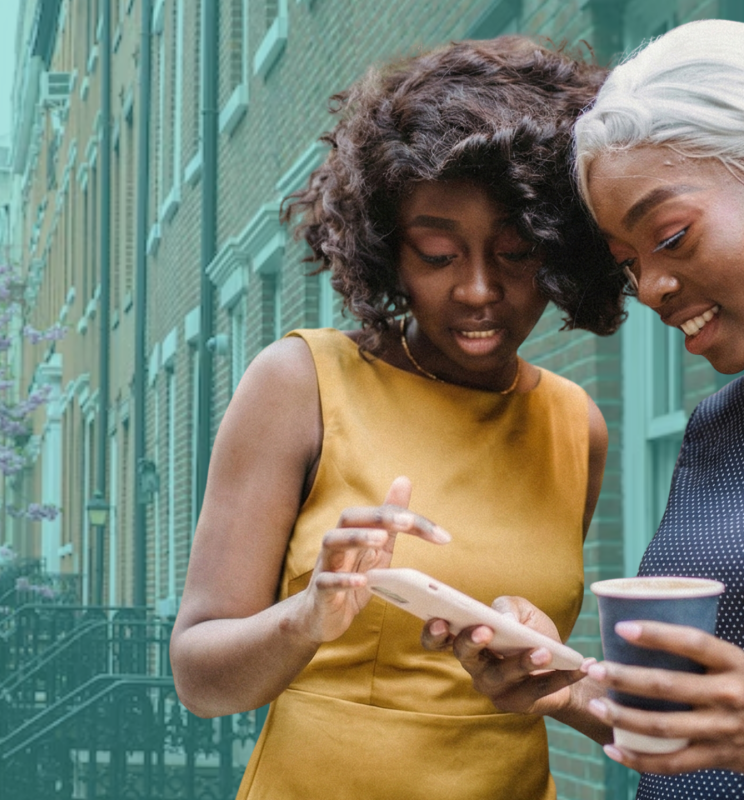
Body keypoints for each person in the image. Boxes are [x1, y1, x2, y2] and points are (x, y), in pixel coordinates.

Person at [169, 37, 620, 800]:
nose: (479, 290)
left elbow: (551, 688)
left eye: (516, 253)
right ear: (387, 251)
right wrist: (308, 617)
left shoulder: (576, 424)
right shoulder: (302, 382)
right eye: (438, 254)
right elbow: (200, 679)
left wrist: (538, 664)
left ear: (562, 249)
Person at [422, 18, 744, 800]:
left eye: (671, 234)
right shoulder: (716, 431)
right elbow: (690, 722)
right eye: (629, 263)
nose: (653, 289)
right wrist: (567, 687)